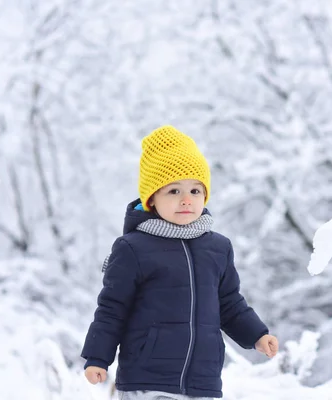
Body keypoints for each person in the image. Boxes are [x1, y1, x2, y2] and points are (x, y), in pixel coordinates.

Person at [81, 125, 278, 400]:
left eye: (196, 191)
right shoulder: (132, 248)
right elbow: (112, 310)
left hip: (202, 382)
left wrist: (257, 334)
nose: (186, 200)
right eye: (174, 191)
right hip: (147, 380)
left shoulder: (218, 248)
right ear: (152, 199)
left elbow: (230, 303)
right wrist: (97, 358)